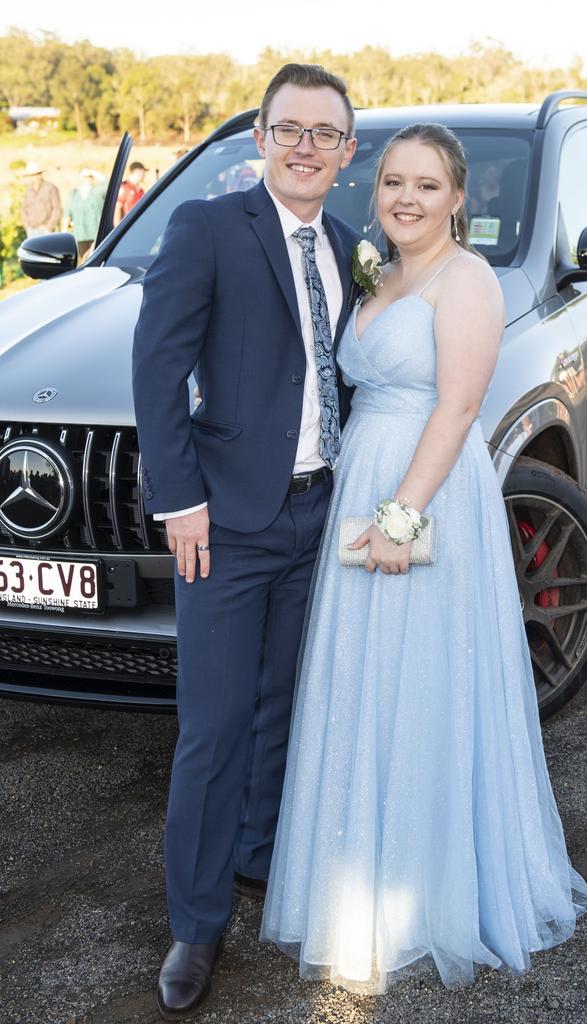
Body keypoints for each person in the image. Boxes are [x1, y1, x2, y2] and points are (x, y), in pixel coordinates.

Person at [260, 122, 587, 994]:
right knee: (363, 688)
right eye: (392, 184)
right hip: (364, 484)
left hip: (426, 492)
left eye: (426, 185)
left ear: (458, 198)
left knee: (423, 684)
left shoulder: (469, 281)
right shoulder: (381, 272)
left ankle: (433, 891)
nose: (405, 199)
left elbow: (456, 410)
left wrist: (402, 520)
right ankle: (361, 881)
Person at [131, 63, 359, 1020]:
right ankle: (196, 920)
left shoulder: (351, 244)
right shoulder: (210, 228)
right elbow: (158, 365)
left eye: (327, 133)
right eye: (290, 128)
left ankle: (259, 857)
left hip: (319, 513)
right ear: (262, 139)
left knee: (284, 708)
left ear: (349, 154)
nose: (307, 145)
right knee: (215, 725)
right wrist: (178, 499)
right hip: (224, 523)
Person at [63, 168, 106, 260]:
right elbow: (67, 214)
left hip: (96, 234)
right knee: (82, 262)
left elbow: (108, 183)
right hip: (80, 235)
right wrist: (64, 233)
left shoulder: (97, 191)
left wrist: (94, 172)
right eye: (85, 177)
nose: (87, 179)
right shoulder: (74, 194)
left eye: (89, 176)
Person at [20, 162, 62, 237]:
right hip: (31, 230)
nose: (35, 177)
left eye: (37, 174)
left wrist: (49, 227)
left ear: (41, 174)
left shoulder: (51, 188)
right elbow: (24, 209)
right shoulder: (28, 190)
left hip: (46, 230)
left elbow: (57, 209)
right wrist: (27, 227)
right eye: (32, 175)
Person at [114, 161, 148, 225]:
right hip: (129, 225)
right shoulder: (125, 187)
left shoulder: (140, 190)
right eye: (143, 172)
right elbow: (117, 209)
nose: (144, 175)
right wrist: (118, 229)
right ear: (137, 171)